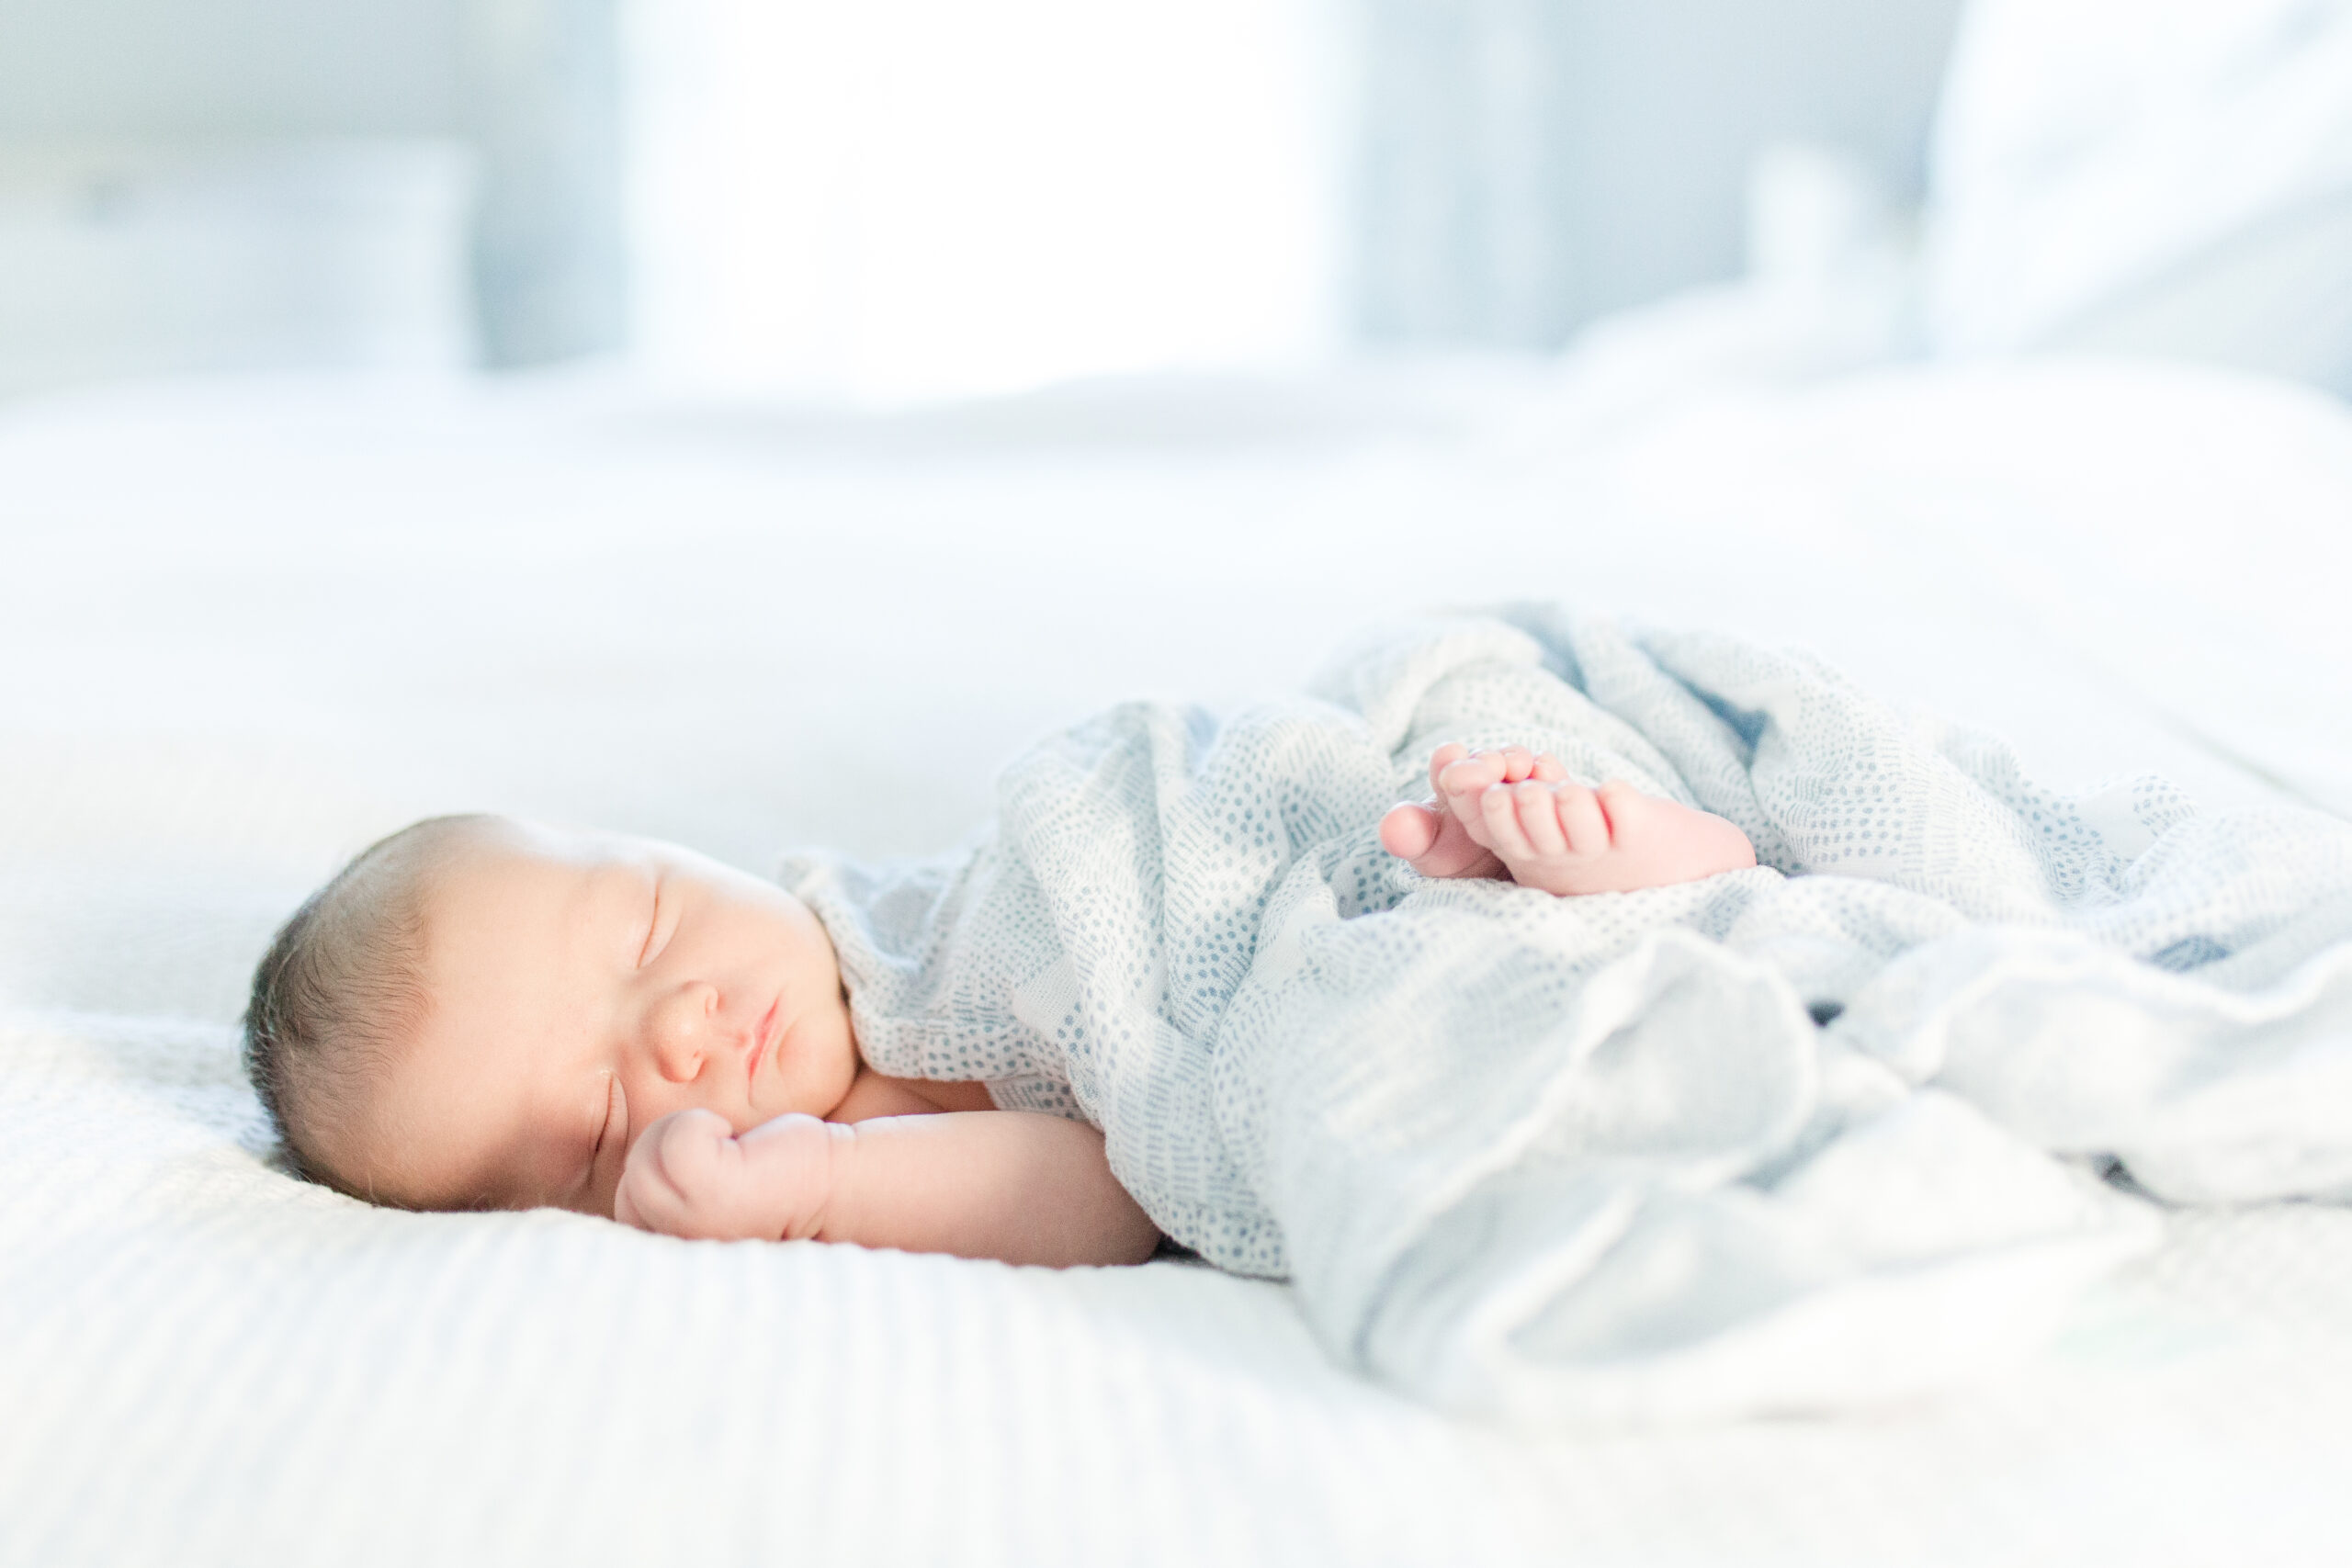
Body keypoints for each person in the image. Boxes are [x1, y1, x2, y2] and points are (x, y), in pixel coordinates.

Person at [243, 742, 1755, 1267]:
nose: (686, 1026)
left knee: (1401, 809)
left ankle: (1526, 843)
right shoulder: (858, 1122)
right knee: (1404, 1006)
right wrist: (821, 1186)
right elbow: (1107, 1188)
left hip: (1220, 856)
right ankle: (1611, 888)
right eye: (599, 1119)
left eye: (645, 918)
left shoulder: (864, 918)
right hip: (1252, 1002)